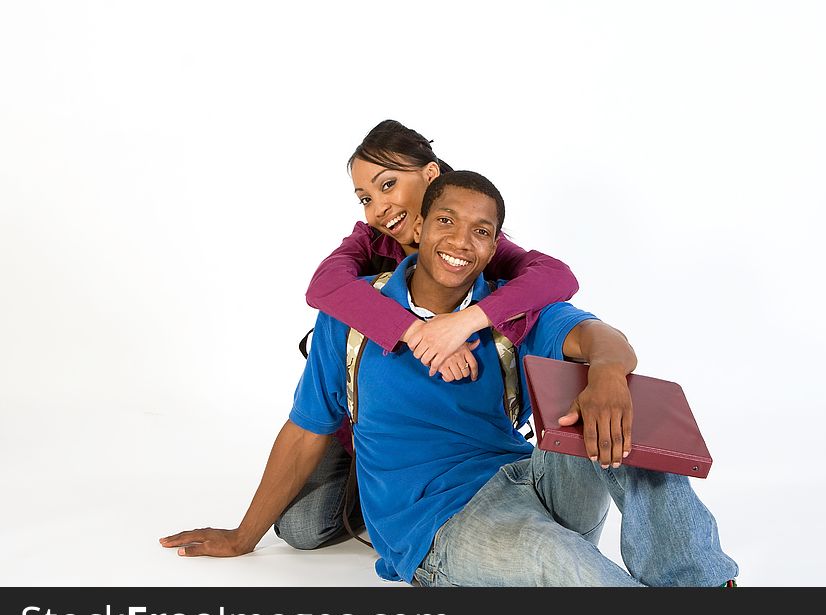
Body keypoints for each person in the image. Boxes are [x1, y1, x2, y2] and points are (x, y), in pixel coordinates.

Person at [164, 170, 739, 587]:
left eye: (482, 231)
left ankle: (704, 588)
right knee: (555, 555)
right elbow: (304, 431)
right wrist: (243, 537)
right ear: (419, 227)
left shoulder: (506, 313)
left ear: (494, 247)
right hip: (436, 525)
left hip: (528, 479)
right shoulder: (356, 315)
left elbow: (598, 337)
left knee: (624, 411)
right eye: (446, 221)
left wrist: (610, 374)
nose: (462, 242)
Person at [160, 120, 582, 556]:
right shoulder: (371, 243)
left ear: (431, 175)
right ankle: (392, 489)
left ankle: (434, 489)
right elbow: (323, 288)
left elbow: (557, 277)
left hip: (461, 430)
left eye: (388, 185)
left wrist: (463, 322)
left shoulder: (470, 238)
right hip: (369, 422)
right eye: (366, 198)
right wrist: (416, 330)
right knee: (301, 527)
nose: (378, 207)